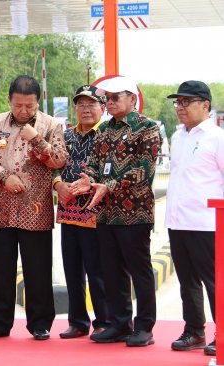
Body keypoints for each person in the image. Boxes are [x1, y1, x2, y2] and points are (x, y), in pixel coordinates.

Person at [70, 76, 161, 347]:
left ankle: (144, 327)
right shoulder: (104, 130)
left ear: (132, 99)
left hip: (135, 214)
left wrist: (108, 186)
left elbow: (144, 171)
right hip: (106, 214)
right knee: (111, 271)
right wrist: (88, 179)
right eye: (106, 98)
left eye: (115, 97)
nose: (109, 103)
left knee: (139, 271)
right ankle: (120, 324)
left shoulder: (147, 128)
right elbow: (94, 164)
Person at [0, 75, 67, 341]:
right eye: (18, 105)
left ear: (38, 102)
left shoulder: (50, 125)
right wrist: (4, 177)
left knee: (37, 269)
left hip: (35, 211)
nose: (24, 111)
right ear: (9, 100)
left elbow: (58, 160)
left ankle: (40, 323)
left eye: (29, 106)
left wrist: (37, 138)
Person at [165, 81, 220, 356]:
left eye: (186, 102)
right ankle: (194, 331)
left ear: (205, 105)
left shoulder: (217, 137)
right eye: (178, 102)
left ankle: (221, 332)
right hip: (178, 220)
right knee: (187, 281)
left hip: (206, 222)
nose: (180, 108)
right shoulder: (178, 137)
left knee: (214, 281)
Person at [53, 85, 110, 339]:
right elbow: (51, 165)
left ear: (103, 108)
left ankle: (104, 321)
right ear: (74, 108)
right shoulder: (66, 137)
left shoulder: (108, 135)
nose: (86, 109)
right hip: (68, 212)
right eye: (81, 104)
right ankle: (77, 321)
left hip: (97, 213)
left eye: (92, 104)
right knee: (72, 269)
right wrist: (57, 185)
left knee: (98, 270)